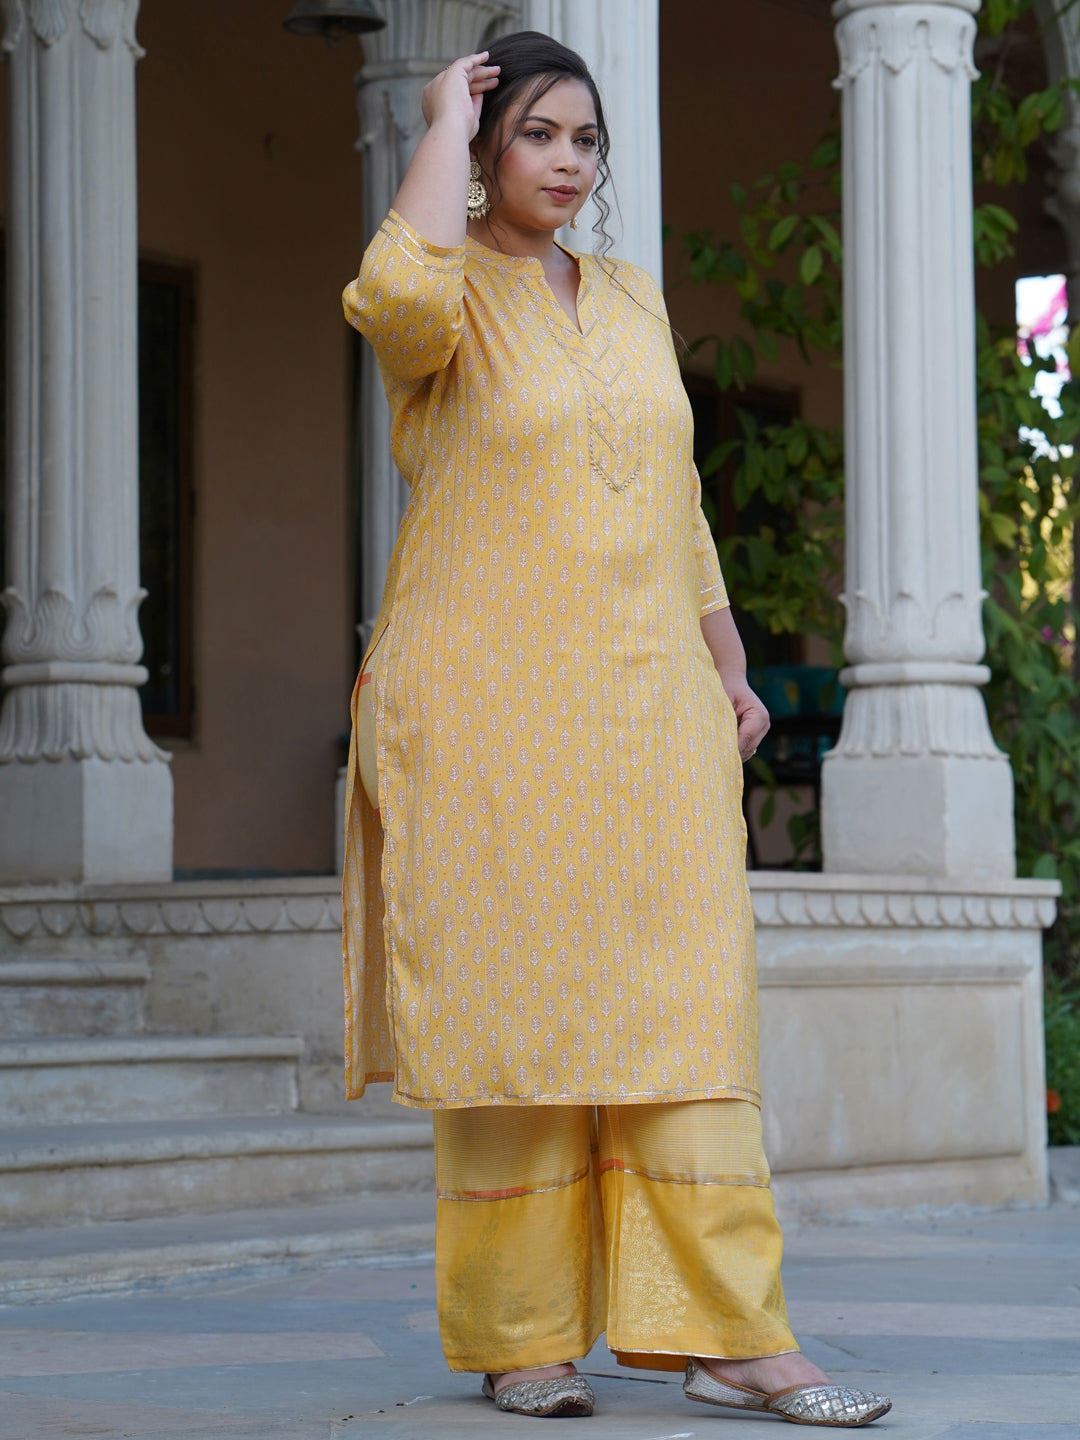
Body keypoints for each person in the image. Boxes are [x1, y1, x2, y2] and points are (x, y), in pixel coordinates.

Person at [340, 30, 891, 1429]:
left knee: (686, 1016)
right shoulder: (444, 296)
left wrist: (729, 666)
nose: (570, 162)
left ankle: (732, 1334)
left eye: (585, 139)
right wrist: (435, 119)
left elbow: (677, 502)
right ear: (482, 150)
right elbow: (388, 295)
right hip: (490, 718)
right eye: (537, 134)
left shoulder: (634, 299)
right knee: (518, 1021)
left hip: (650, 718)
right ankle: (520, 1336)